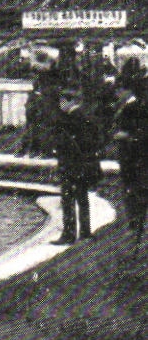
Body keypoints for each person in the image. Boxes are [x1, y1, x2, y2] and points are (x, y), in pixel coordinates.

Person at [53, 85, 103, 245]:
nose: (60, 105)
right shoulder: (86, 116)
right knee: (82, 198)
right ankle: (85, 232)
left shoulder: (70, 119)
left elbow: (67, 143)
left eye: (61, 101)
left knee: (68, 200)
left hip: (71, 164)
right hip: (83, 164)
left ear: (68, 101)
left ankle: (69, 234)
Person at [113, 69, 148, 254]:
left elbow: (140, 132)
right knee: (131, 191)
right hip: (129, 157)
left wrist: (127, 136)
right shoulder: (131, 106)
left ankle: (136, 230)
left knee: (135, 193)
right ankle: (134, 228)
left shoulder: (135, 108)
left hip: (135, 157)